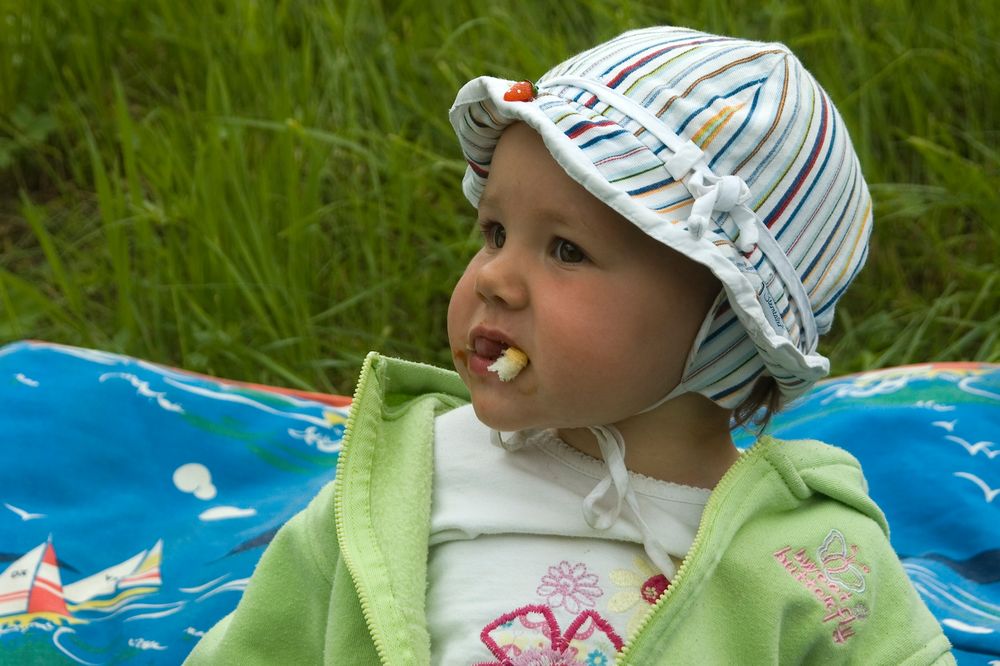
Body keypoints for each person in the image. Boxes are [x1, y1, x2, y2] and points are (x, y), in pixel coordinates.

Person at [186, 26, 953, 664]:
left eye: (565, 252)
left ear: (729, 322)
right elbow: (262, 644)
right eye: (495, 232)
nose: (495, 279)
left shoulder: (813, 559)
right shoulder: (409, 480)